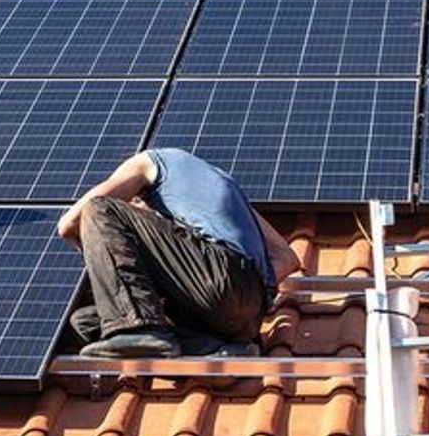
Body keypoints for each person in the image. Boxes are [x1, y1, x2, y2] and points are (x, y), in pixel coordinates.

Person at [56, 148, 300, 358]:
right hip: (244, 319)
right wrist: (247, 295)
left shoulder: (148, 162)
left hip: (217, 276)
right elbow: (288, 259)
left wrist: (104, 255)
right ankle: (212, 346)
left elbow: (68, 224)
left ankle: (138, 330)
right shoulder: (224, 193)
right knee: (84, 322)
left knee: (98, 209)